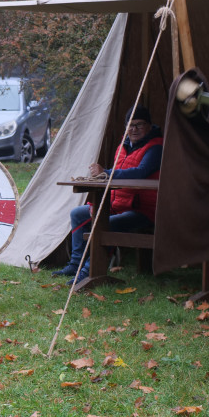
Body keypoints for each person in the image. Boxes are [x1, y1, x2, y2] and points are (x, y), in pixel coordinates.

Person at [53, 106, 163, 285]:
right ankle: (75, 264)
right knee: (77, 213)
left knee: (108, 224)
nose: (134, 129)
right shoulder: (122, 147)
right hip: (118, 205)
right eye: (130, 125)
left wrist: (105, 172)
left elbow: (141, 172)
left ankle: (90, 272)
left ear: (149, 126)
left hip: (143, 210)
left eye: (139, 125)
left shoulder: (156, 147)